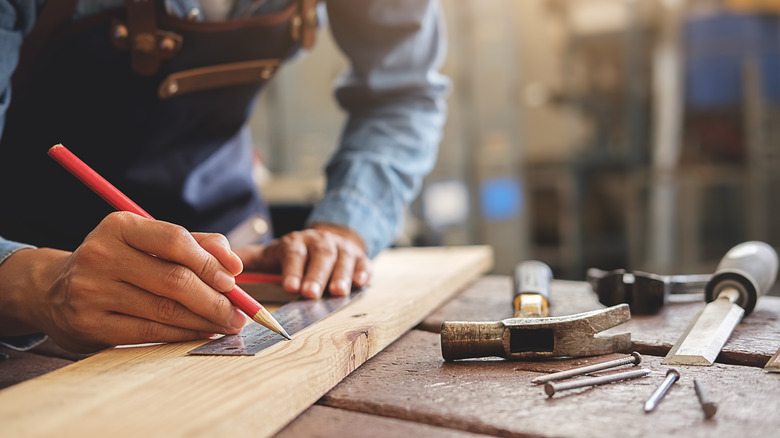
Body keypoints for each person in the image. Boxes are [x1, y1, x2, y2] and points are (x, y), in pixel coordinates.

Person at [0, 0, 448, 353]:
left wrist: (345, 230)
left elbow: (402, 94)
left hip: (232, 259)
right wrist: (38, 284)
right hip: (33, 300)